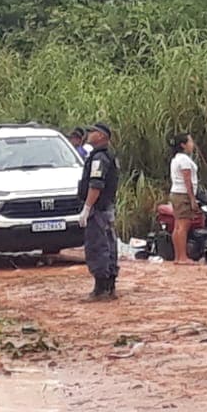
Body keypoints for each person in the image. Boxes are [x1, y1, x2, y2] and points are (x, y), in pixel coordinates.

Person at [77, 123, 120, 299]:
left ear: (102, 136)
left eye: (93, 132)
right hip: (106, 208)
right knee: (109, 245)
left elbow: (96, 185)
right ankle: (109, 287)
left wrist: (86, 208)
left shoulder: (99, 159)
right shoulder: (107, 156)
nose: (89, 134)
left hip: (99, 209)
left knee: (97, 246)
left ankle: (101, 289)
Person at [168, 132, 200, 264]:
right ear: (183, 145)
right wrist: (192, 199)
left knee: (177, 225)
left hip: (176, 192)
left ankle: (178, 256)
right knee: (183, 225)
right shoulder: (184, 160)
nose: (192, 145)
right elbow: (188, 180)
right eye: (190, 142)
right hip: (183, 194)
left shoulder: (176, 159)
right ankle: (182, 257)